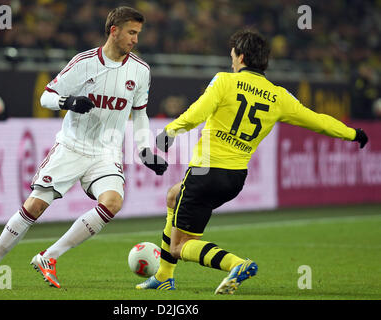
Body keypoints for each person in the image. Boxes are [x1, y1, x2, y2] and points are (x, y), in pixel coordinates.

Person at [136, 29, 369, 294]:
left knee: (179, 247)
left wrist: (171, 131)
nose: (231, 61)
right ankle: (164, 276)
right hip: (235, 178)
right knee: (173, 196)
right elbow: (318, 121)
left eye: (233, 56)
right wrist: (352, 133)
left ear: (242, 56)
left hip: (206, 172)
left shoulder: (225, 81)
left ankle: (237, 264)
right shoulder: (278, 96)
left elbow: (197, 111)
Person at [0, 6, 168, 288]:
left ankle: (49, 257)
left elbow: (140, 114)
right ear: (114, 31)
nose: (136, 40)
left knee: (112, 202)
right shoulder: (84, 63)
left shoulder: (140, 71)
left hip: (106, 152)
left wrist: (145, 149)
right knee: (34, 207)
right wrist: (68, 102)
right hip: (72, 147)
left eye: (138, 33)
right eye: (131, 33)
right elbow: (46, 97)